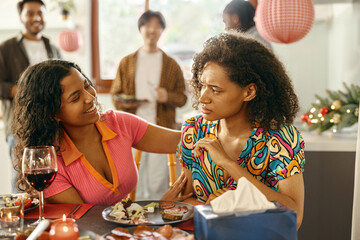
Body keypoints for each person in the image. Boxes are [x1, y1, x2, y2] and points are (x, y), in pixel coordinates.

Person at [12, 60, 191, 205]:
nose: (90, 98)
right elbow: (88, 221)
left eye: (87, 85)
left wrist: (211, 122)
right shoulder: (49, 162)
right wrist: (158, 208)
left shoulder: (118, 123)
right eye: (75, 97)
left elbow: (183, 141)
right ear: (53, 113)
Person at [177, 32, 305, 229]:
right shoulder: (194, 131)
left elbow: (293, 217)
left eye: (215, 90)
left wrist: (228, 164)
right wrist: (210, 208)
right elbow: (182, 203)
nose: (202, 97)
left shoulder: (280, 139)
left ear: (249, 92)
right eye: (202, 85)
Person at [110, 10, 187, 200]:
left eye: (157, 26)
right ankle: (133, 217)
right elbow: (115, 94)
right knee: (132, 179)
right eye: (148, 25)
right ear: (140, 29)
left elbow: (182, 98)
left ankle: (156, 220)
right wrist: (127, 102)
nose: (152, 30)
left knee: (158, 179)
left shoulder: (171, 64)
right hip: (130, 130)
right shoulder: (127, 62)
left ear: (162, 31)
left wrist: (167, 96)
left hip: (161, 129)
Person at [0, 0, 62, 193]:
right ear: (21, 17)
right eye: (30, 13)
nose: (36, 18)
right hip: (19, 126)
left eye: (40, 13)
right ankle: (21, 222)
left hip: (54, 125)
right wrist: (27, 89)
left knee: (55, 180)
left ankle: (49, 221)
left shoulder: (54, 50)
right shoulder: (7, 48)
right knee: (21, 179)